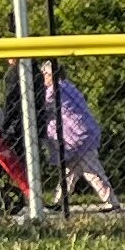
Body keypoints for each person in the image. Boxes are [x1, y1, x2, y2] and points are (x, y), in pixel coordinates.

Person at [44, 63, 118, 209]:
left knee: (92, 170)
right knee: (70, 171)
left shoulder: (54, 90)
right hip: (83, 133)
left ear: (51, 75)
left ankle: (112, 202)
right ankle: (60, 201)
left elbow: (43, 105)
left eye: (45, 75)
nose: (44, 79)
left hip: (78, 137)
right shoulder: (69, 86)